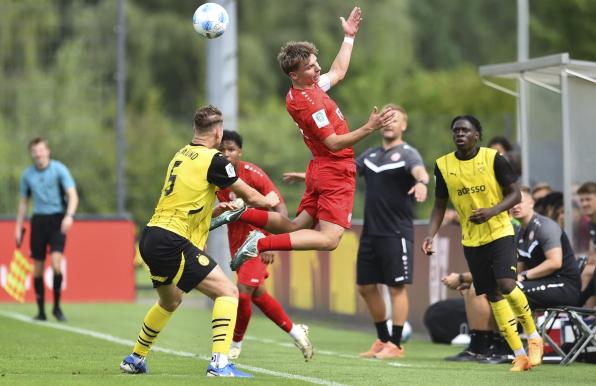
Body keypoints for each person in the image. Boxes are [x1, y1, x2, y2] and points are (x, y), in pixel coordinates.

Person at [209, 6, 397, 269]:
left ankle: (244, 213)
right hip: (334, 169)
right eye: (310, 67)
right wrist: (369, 127)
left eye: (315, 62)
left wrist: (349, 37)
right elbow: (332, 143)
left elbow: (339, 71)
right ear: (294, 75)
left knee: (296, 226)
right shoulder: (310, 104)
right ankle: (260, 243)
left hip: (320, 167)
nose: (318, 69)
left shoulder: (306, 88)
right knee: (330, 239)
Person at [119, 105, 279, 378]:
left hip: (151, 236)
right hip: (173, 240)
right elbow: (250, 196)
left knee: (170, 302)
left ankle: (136, 358)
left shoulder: (181, 154)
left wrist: (214, 211)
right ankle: (219, 363)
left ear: (195, 130)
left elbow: (185, 199)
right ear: (218, 133)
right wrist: (269, 201)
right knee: (228, 292)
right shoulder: (215, 161)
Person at [421, 115, 542, 372]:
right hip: (472, 240)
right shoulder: (443, 165)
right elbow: (439, 204)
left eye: (465, 130)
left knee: (507, 285)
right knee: (493, 294)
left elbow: (515, 194)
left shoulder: (493, 159)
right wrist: (431, 234)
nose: (459, 134)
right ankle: (519, 355)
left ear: (477, 134)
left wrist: (491, 211)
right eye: (455, 131)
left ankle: (533, 337)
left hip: (500, 231)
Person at [216, 130, 313, 361]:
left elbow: (278, 206)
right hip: (236, 241)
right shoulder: (218, 176)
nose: (227, 153)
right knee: (258, 294)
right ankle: (295, 331)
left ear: (240, 152)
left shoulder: (252, 173)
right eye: (222, 150)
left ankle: (235, 344)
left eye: (231, 149)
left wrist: (271, 242)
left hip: (258, 241)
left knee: (242, 293)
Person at [355, 104, 429, 359]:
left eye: (394, 119)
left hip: (396, 232)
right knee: (365, 287)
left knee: (396, 288)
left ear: (403, 126)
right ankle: (382, 339)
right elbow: (344, 173)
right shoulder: (370, 155)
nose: (388, 123)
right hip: (370, 232)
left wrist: (421, 182)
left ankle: (396, 345)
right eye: (385, 118)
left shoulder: (408, 154)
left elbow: (420, 171)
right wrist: (310, 177)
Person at [15, 137, 78, 322]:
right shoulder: (27, 175)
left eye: (41, 150)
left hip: (58, 220)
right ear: (31, 154)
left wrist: (69, 215)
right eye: (35, 151)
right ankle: (41, 311)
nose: (38, 154)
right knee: (37, 269)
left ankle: (57, 307)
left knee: (57, 264)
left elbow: (73, 195)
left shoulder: (59, 169)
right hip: (38, 222)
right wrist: (18, 227)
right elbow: (23, 203)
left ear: (48, 151)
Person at [511, 186, 582, 309]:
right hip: (542, 282)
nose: (515, 206)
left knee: (513, 292)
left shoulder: (545, 226)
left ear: (531, 203)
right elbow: (519, 268)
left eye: (519, 202)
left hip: (564, 285)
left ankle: (520, 329)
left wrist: (524, 275)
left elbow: (554, 262)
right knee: (500, 290)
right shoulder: (519, 233)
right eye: (512, 203)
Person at [577, 181, 596, 308]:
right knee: (588, 270)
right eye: (582, 200)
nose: (584, 204)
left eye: (588, 199)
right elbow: (591, 259)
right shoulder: (591, 225)